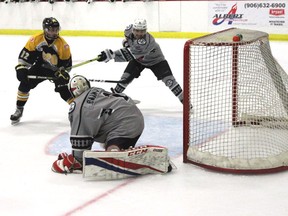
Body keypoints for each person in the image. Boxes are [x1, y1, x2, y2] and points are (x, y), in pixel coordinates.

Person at [52, 75, 145, 174]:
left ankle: (115, 150)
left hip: (123, 127)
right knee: (112, 132)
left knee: (112, 150)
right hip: (137, 119)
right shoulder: (97, 90)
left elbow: (80, 135)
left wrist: (77, 159)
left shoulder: (79, 107)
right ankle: (119, 148)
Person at [96, 18, 183, 105]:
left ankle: (185, 102)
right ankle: (113, 97)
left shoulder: (147, 41)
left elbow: (130, 55)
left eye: (142, 31)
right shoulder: (128, 30)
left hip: (156, 61)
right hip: (139, 60)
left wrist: (112, 55)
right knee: (125, 78)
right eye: (137, 30)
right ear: (133, 29)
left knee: (170, 81)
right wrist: (114, 52)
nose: (139, 33)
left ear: (146, 30)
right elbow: (127, 42)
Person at [10, 17, 72, 125]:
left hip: (56, 70)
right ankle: (19, 109)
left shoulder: (63, 45)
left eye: (56, 30)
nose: (54, 32)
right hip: (40, 67)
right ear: (45, 29)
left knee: (63, 89)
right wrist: (21, 68)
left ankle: (76, 110)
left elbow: (67, 65)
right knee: (24, 84)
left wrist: (63, 73)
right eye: (51, 30)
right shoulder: (35, 40)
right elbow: (24, 58)